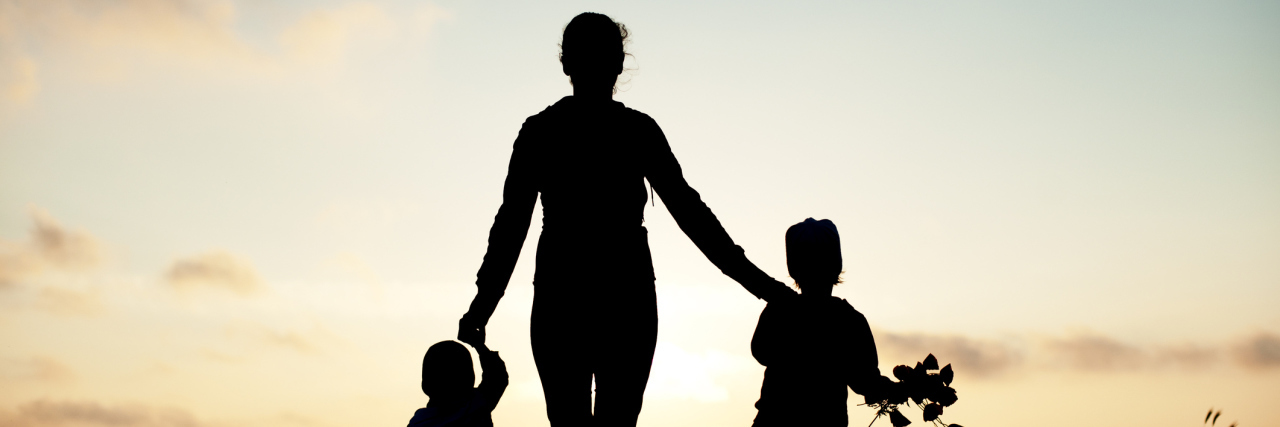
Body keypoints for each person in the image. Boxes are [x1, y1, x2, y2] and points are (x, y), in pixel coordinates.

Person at [456, 12, 795, 427]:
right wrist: (765, 287)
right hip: (623, 299)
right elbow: (693, 217)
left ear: (566, 63)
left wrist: (482, 306)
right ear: (618, 63)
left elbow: (510, 228)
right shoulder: (635, 131)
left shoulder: (543, 131)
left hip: (565, 299)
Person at [751, 218, 894, 427]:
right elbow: (865, 381)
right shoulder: (850, 320)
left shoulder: (779, 309)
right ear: (836, 266)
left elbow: (760, 351)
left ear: (794, 268)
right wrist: (901, 388)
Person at [408, 340, 508, 427]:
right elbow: (498, 377)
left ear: (426, 384)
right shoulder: (475, 407)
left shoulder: (418, 422)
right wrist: (479, 345)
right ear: (469, 377)